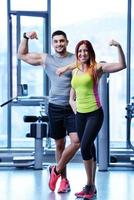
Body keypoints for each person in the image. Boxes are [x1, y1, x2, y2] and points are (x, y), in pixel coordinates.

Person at [56, 39, 126, 199]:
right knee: (90, 149)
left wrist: (119, 47)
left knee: (85, 147)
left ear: (90, 52)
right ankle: (91, 187)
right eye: (79, 51)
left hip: (95, 114)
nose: (82, 53)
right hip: (80, 115)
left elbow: (122, 65)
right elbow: (72, 96)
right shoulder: (75, 70)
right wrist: (74, 107)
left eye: (85, 51)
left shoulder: (97, 68)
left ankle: (89, 185)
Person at [18, 30, 80, 193]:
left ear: (67, 42)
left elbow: (89, 66)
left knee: (77, 141)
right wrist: (25, 37)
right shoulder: (47, 59)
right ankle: (64, 180)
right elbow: (22, 55)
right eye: (56, 41)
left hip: (73, 107)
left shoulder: (75, 58)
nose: (59, 44)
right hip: (55, 106)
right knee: (59, 145)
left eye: (62, 41)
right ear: (53, 43)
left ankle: (56, 170)